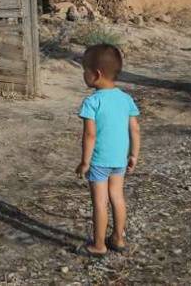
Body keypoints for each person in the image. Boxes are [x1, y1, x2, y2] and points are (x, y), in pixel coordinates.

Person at [75, 43, 141, 257]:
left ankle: (99, 245)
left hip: (99, 161)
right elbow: (135, 130)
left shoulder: (92, 102)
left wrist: (85, 162)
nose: (83, 75)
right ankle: (119, 238)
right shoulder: (126, 99)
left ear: (96, 74)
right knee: (117, 197)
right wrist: (133, 155)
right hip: (119, 160)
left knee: (100, 203)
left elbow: (90, 135)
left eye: (84, 70)